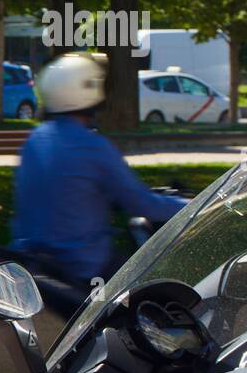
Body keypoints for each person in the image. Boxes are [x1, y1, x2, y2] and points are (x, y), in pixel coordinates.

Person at [9, 53, 186, 288]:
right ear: (90, 90)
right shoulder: (92, 146)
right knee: (154, 289)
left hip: (32, 260)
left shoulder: (34, 140)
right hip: (82, 265)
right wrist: (194, 206)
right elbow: (142, 204)